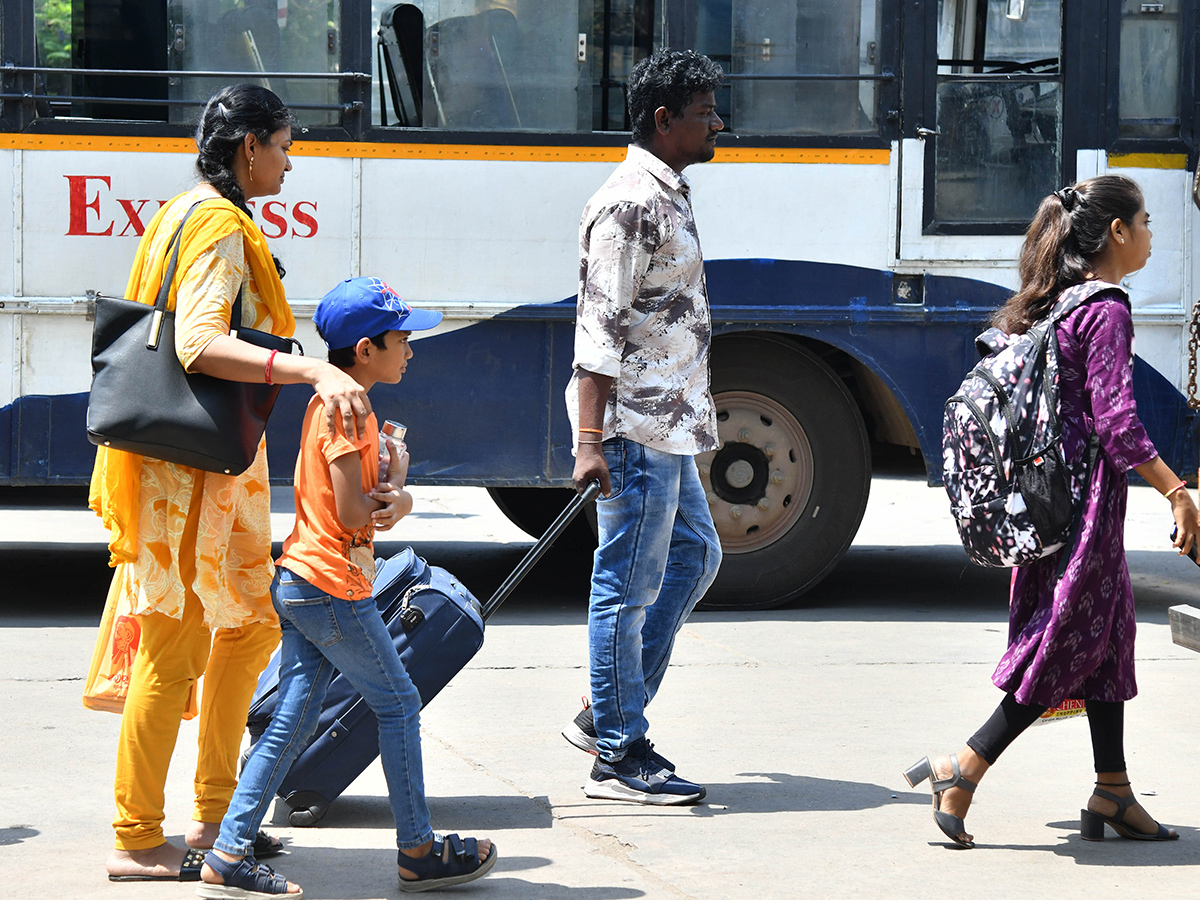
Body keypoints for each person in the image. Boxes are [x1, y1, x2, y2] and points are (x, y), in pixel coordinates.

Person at [95, 84, 373, 882]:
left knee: (249, 632)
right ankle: (138, 834)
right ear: (249, 145)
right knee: (174, 645)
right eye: (284, 145)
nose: (290, 162)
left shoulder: (191, 210)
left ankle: (222, 816)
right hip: (187, 477)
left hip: (209, 470)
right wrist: (312, 368)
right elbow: (200, 344)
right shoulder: (216, 222)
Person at [904, 175, 1200, 848]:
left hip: (1047, 501)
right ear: (1117, 232)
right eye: (1146, 221)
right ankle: (964, 766)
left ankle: (1113, 789)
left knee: (1107, 637)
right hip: (1083, 506)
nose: (1153, 233)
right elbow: (1119, 428)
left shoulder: (1063, 302)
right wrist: (1178, 493)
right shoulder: (1107, 310)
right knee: (1066, 641)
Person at [197, 277, 496, 898]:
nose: (410, 349)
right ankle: (417, 850)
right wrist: (404, 491)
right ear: (365, 349)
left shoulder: (333, 404)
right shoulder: (350, 408)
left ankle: (227, 854)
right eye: (402, 338)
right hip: (332, 584)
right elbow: (357, 515)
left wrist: (389, 485)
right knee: (399, 704)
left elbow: (352, 506)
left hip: (305, 578)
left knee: (293, 720)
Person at [561, 49, 724, 805]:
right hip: (633, 424)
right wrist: (590, 442)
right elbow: (599, 329)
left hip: (672, 421)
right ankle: (620, 757)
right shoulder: (630, 202)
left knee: (694, 555)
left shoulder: (669, 189)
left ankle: (608, 712)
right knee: (624, 589)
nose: (717, 122)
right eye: (704, 112)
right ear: (664, 120)